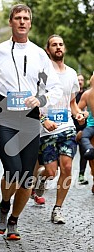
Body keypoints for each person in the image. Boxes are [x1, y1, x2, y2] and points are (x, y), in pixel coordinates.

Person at [0, 4, 63, 240]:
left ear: (30, 23)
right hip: (6, 116)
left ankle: (13, 220)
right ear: (11, 22)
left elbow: (55, 87)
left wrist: (41, 98)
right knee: (13, 170)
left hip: (30, 118)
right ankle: (3, 205)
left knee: (26, 179)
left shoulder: (40, 54)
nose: (22, 22)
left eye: (26, 18)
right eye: (18, 18)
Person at [34, 34, 84, 224]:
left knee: (68, 167)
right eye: (54, 45)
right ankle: (40, 179)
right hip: (46, 130)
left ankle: (57, 209)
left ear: (65, 48)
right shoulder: (42, 74)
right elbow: (34, 103)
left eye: (61, 44)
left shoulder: (71, 73)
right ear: (48, 50)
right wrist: (44, 119)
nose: (58, 47)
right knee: (51, 172)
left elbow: (72, 103)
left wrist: (78, 113)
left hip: (67, 127)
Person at [77, 74, 94, 192]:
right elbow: (77, 110)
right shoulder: (87, 94)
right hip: (91, 126)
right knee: (84, 137)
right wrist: (82, 114)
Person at [72, 74, 88, 184]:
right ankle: (64, 172)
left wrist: (87, 113)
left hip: (83, 128)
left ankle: (81, 175)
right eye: (78, 80)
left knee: (84, 152)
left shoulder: (87, 94)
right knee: (68, 153)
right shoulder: (72, 94)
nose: (80, 82)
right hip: (72, 127)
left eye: (82, 80)